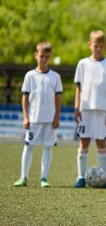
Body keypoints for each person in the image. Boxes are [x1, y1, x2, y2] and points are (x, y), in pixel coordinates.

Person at [73, 30, 106, 188]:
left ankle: (104, 178)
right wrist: (77, 106)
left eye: (101, 46)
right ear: (89, 45)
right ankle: (80, 177)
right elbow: (78, 87)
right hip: (85, 109)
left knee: (101, 143)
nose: (98, 48)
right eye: (95, 45)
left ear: (104, 47)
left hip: (102, 110)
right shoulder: (82, 64)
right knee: (83, 142)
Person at [14, 42, 63, 188]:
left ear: (50, 57)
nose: (44, 59)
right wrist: (25, 116)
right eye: (41, 56)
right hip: (33, 119)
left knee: (47, 147)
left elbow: (58, 98)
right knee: (28, 147)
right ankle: (23, 177)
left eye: (47, 57)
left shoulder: (55, 77)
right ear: (36, 56)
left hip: (49, 120)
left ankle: (43, 178)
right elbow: (25, 97)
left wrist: (56, 117)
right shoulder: (30, 76)